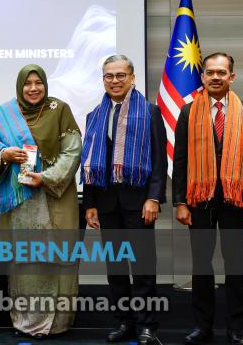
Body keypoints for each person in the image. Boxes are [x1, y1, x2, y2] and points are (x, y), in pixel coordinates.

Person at [173, 52, 243, 345]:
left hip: (235, 201)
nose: (215, 77)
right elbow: (180, 160)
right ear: (202, 77)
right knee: (201, 265)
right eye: (210, 72)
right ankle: (203, 326)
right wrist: (180, 202)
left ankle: (236, 328)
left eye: (221, 72)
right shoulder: (188, 112)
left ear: (231, 77)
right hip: (199, 200)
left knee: (235, 265)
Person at [0, 64, 81, 339]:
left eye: (38, 82)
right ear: (20, 86)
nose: (33, 88)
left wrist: (46, 177)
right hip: (19, 200)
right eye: (27, 83)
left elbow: (73, 151)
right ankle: (26, 320)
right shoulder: (4, 113)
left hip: (54, 195)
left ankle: (59, 322)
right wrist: (4, 155)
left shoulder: (59, 109)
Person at [81, 54, 167, 345]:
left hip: (139, 202)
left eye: (120, 75)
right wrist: (90, 204)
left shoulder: (150, 112)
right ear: (103, 79)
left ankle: (146, 325)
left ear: (132, 78)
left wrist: (154, 198)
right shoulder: (95, 115)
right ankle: (124, 322)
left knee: (142, 267)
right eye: (109, 76)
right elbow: (89, 162)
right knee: (116, 268)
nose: (115, 81)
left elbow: (159, 161)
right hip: (106, 203)